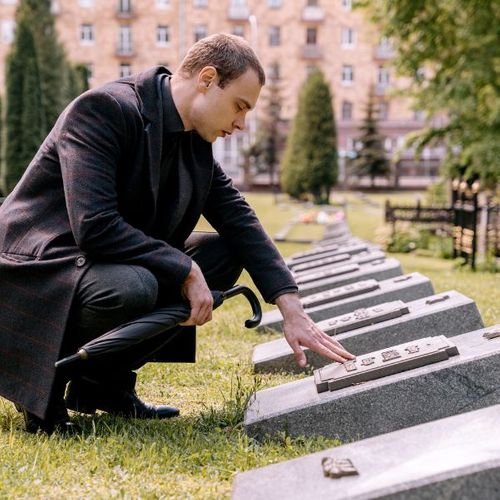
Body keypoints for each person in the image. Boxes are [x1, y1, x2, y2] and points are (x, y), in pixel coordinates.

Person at [0, 33, 354, 435]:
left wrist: (292, 309)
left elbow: (240, 220)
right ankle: (41, 392)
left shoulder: (193, 140)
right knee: (134, 286)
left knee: (222, 254)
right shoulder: (104, 109)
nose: (240, 123)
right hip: (39, 266)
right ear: (207, 79)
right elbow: (94, 225)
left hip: (95, 261)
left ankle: (102, 387)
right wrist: (183, 268)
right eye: (239, 106)